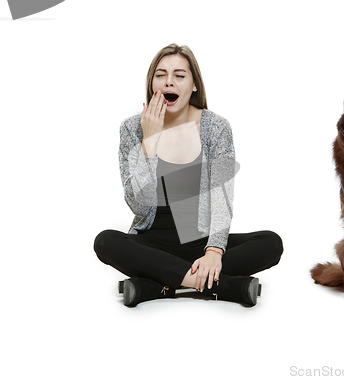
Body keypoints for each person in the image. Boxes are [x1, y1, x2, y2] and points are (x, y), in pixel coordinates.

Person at [94, 44, 283, 308]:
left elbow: (222, 200)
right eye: (160, 75)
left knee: (271, 244)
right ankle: (223, 286)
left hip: (201, 245)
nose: (169, 81)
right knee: (105, 241)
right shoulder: (131, 129)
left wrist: (214, 252)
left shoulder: (216, 128)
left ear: (194, 85)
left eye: (179, 75)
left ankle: (157, 284)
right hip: (152, 245)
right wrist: (149, 140)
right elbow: (139, 205)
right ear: (152, 84)